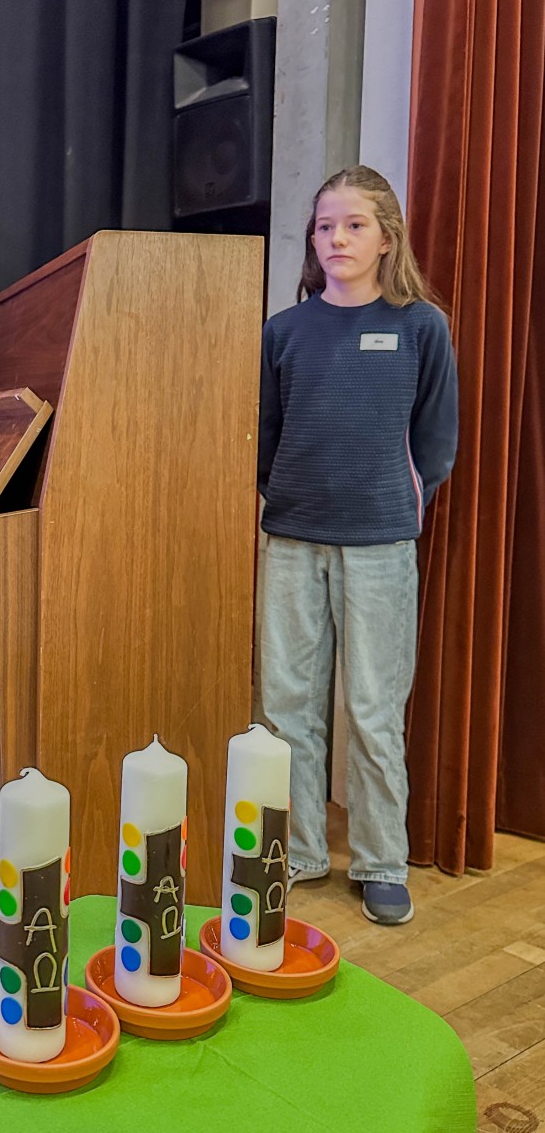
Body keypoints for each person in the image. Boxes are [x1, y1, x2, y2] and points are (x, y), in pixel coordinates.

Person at [257, 166, 458, 926]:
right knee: (287, 708)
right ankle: (300, 849)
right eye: (324, 226)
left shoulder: (421, 327)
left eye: (353, 225)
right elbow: (266, 438)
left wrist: (393, 504)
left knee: (373, 710)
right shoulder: (284, 331)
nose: (336, 238)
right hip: (291, 541)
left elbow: (435, 443)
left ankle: (380, 861)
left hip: (380, 546)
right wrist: (287, 496)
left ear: (386, 238)